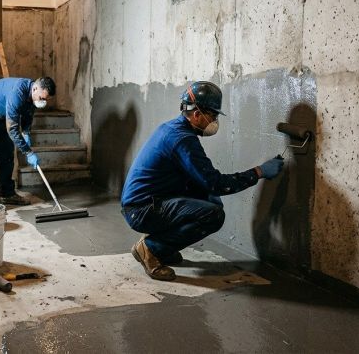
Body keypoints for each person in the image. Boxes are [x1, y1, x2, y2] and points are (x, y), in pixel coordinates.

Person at [120, 81, 284, 281]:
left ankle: (163, 246)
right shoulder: (182, 139)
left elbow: (204, 182)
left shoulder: (174, 128)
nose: (214, 120)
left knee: (209, 198)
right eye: (213, 115)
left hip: (150, 201)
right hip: (141, 210)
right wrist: (258, 172)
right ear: (197, 114)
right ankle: (151, 249)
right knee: (213, 215)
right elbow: (216, 183)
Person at [0, 77, 56, 205]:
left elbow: (28, 115)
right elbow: (12, 129)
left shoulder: (33, 96)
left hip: (0, 114)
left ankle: (7, 194)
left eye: (46, 100)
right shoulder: (17, 93)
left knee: (7, 154)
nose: (43, 102)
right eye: (42, 99)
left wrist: (26, 133)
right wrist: (28, 152)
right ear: (35, 88)